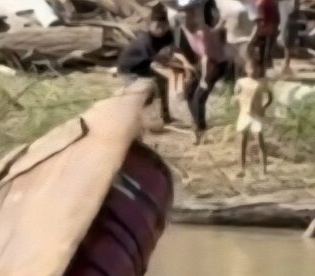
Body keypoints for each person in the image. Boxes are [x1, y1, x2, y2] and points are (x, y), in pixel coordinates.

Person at [178, 4, 232, 144]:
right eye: (182, 18)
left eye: (187, 18)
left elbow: (206, 57)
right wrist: (189, 68)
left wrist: (203, 79)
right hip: (203, 61)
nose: (184, 21)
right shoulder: (184, 29)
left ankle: (201, 130)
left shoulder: (202, 33)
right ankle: (197, 122)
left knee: (199, 96)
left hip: (217, 63)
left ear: (193, 18)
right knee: (188, 92)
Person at [117, 5, 176, 124]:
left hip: (144, 64)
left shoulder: (168, 35)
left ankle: (165, 115)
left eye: (163, 26)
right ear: (151, 24)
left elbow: (175, 48)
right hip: (129, 70)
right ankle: (129, 118)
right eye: (157, 26)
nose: (160, 29)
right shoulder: (145, 41)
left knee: (163, 81)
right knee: (145, 92)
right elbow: (159, 62)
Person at [235, 54, 273, 177]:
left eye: (256, 68)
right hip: (244, 114)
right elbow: (236, 96)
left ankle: (264, 168)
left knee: (260, 139)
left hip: (257, 114)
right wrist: (237, 102)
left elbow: (270, 96)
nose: (253, 70)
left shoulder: (262, 82)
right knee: (242, 141)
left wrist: (265, 107)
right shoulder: (241, 82)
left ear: (259, 69)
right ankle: (242, 168)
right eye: (251, 67)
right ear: (246, 69)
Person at [249, 0, 281, 70]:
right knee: (262, 49)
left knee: (263, 48)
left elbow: (275, 17)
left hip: (265, 26)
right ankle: (262, 67)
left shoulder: (267, 2)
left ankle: (263, 67)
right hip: (263, 26)